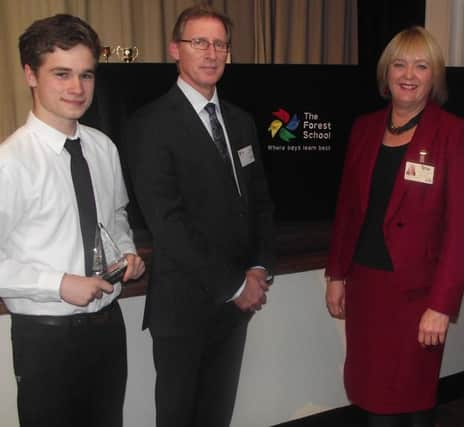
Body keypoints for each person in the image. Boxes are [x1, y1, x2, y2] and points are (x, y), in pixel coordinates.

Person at [125, 4, 275, 427]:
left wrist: (260, 267)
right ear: (176, 49)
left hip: (234, 310)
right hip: (184, 309)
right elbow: (168, 224)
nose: (211, 53)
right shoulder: (150, 124)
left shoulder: (241, 122)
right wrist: (233, 284)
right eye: (199, 42)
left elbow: (260, 203)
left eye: (220, 44)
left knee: (217, 415)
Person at [325, 26, 464, 427]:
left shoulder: (454, 133)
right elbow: (346, 210)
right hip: (367, 289)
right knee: (370, 395)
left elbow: (463, 229)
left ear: (435, 77)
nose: (408, 74)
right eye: (399, 63)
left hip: (418, 298)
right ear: (386, 72)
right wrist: (336, 274)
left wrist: (441, 306)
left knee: (411, 400)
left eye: (421, 65)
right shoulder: (363, 128)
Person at [0, 14, 145, 427]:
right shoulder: (9, 163)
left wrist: (129, 254)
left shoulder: (103, 148)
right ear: (30, 74)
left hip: (107, 327)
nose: (77, 88)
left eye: (86, 75)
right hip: (46, 337)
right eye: (61, 74)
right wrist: (59, 284)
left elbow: (116, 219)